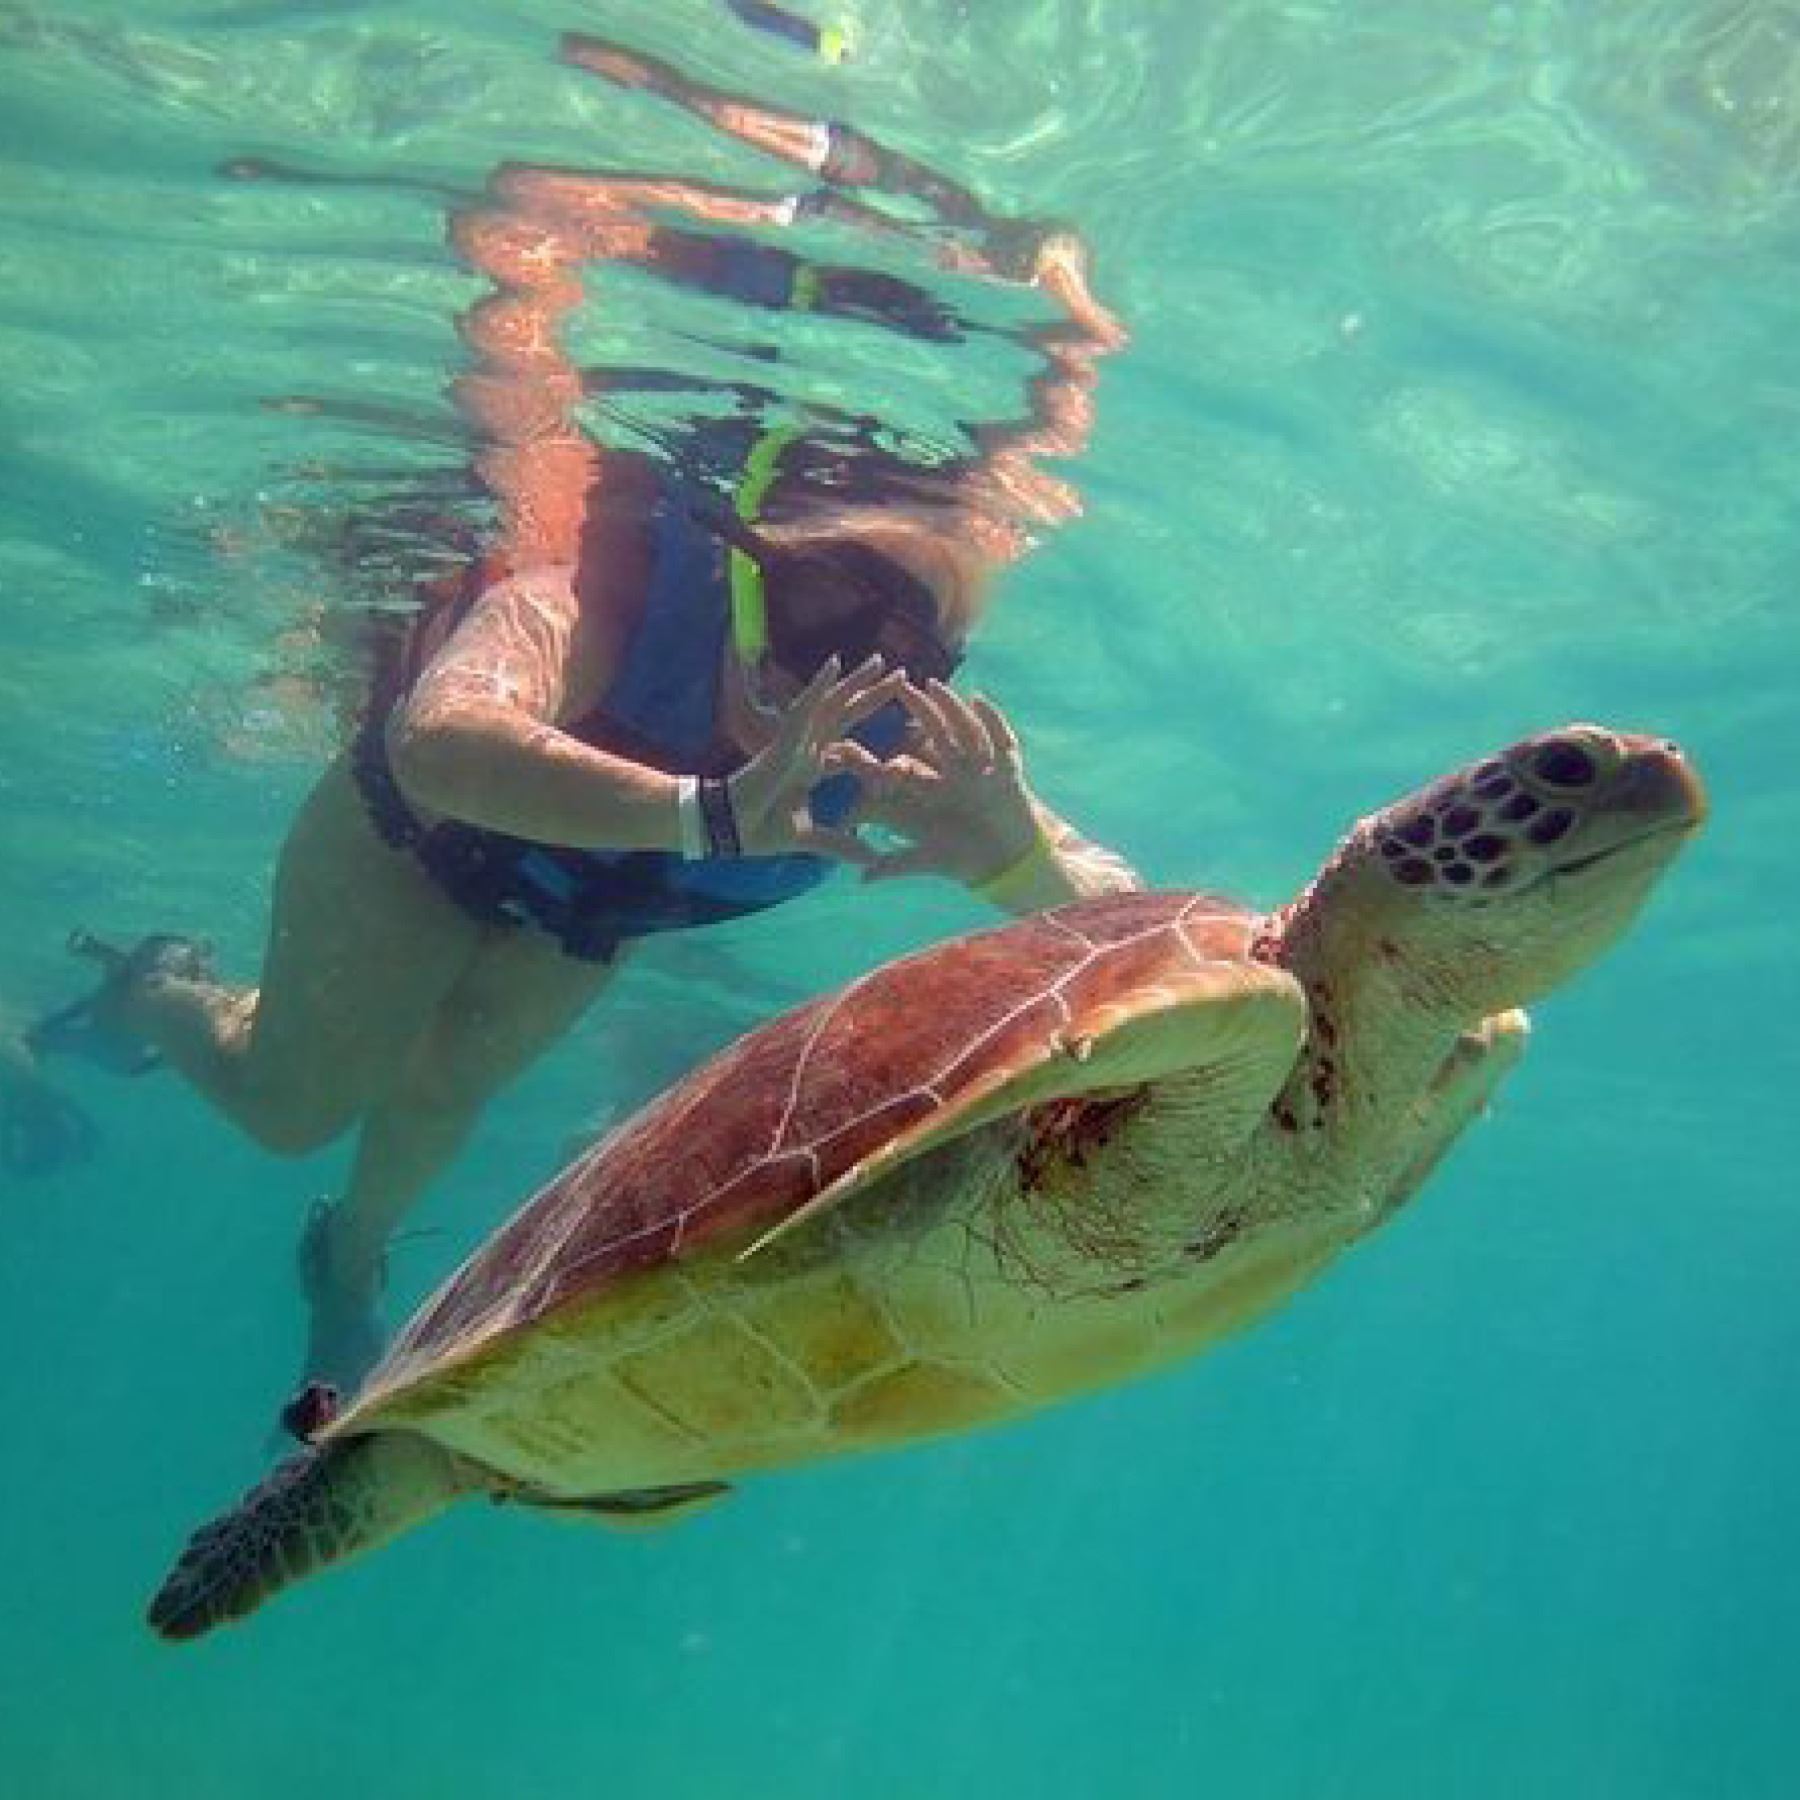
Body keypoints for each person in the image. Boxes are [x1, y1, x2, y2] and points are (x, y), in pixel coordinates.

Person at [42, 34, 1137, 1398]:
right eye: (818, 608)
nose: (841, 671)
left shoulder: (908, 739)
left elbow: (1141, 921)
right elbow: (441, 740)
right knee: (294, 1109)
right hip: (417, 841)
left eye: (901, 646)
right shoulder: (607, 590)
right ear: (745, 573)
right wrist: (712, 811)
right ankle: (155, 991)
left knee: (447, 1087)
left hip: (586, 905)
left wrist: (1018, 859)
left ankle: (352, 1263)